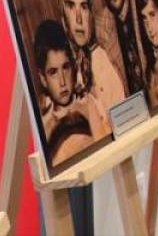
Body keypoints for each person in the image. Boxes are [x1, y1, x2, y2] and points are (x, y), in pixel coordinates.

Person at [33, 19, 111, 166]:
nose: (62, 81)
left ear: (73, 66)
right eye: (53, 72)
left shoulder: (88, 105)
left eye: (66, 67)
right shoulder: (45, 126)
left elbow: (106, 153)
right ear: (43, 78)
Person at [58, 0, 126, 112]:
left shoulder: (101, 61)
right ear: (63, 11)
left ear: (90, 12)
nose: (79, 19)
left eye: (84, 7)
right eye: (71, 6)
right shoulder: (60, 68)